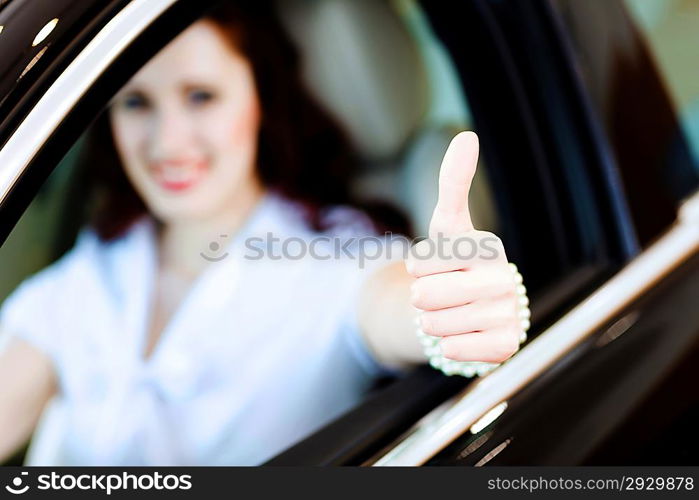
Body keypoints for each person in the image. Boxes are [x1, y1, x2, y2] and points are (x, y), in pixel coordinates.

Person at [0, 2, 523, 465]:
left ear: (259, 100)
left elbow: (395, 306)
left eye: (201, 96)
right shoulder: (95, 265)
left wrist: (451, 317)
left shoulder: (336, 257)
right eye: (136, 103)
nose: (167, 141)